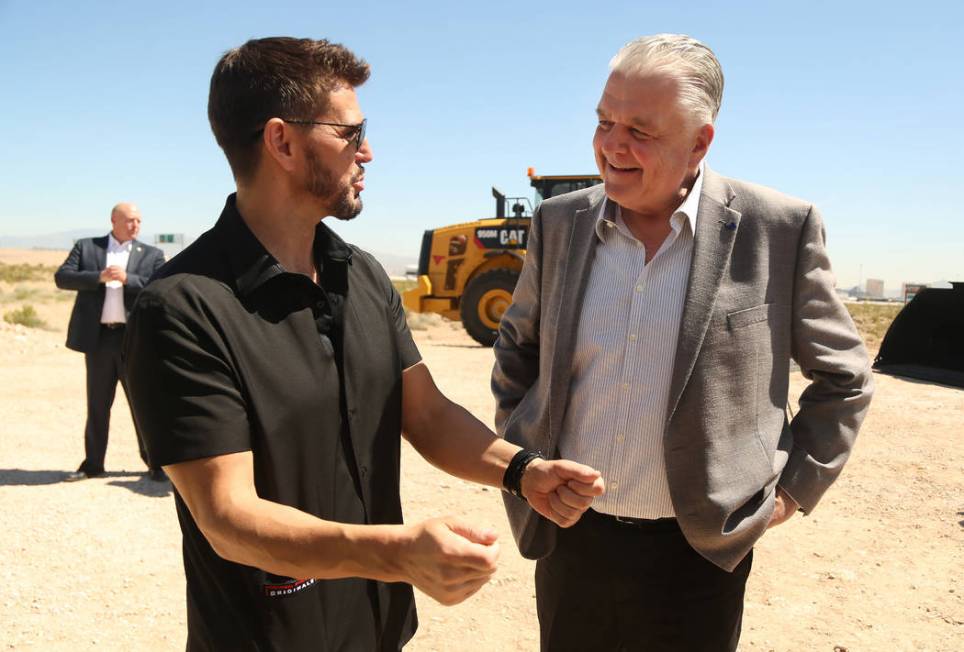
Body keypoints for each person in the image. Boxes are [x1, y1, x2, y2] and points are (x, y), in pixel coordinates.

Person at [122, 37, 604, 652]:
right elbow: (228, 518)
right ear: (283, 143)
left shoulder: (364, 274)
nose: (368, 152)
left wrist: (522, 471)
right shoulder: (183, 308)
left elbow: (425, 415)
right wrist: (397, 554)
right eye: (351, 133)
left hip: (376, 629)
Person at [492, 34, 874, 651]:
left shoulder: (779, 228)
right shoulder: (558, 223)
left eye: (641, 130)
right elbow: (516, 349)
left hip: (700, 551)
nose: (613, 145)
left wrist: (789, 494)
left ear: (700, 141)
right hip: (571, 541)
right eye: (604, 121)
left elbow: (844, 379)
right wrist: (525, 458)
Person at [54, 203, 166, 482]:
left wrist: (130, 279)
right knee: (98, 405)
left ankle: (155, 465)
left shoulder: (152, 254)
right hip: (99, 340)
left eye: (139, 221)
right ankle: (93, 464)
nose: (135, 225)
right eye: (130, 220)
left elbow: (161, 284)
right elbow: (62, 277)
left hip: (135, 340)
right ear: (114, 220)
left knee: (143, 404)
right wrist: (98, 277)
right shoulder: (87, 247)